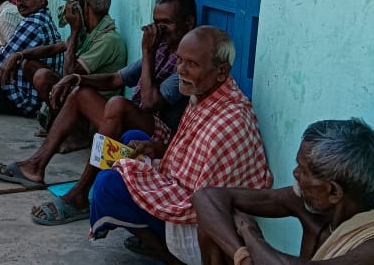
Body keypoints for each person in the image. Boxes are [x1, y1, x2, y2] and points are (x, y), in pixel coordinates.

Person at [0, 0, 197, 225]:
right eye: (156, 23)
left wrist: (147, 51)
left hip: (163, 136)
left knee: (118, 104)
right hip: (137, 120)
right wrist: (77, 79)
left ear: (188, 23)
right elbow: (116, 79)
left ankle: (80, 195)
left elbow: (150, 103)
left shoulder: (190, 61)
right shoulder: (161, 49)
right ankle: (36, 165)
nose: (158, 30)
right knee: (79, 93)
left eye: (165, 23)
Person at [87, 26, 273, 263]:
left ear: (221, 71)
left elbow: (202, 205)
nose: (180, 70)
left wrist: (140, 173)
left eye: (192, 64)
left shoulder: (226, 123)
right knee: (131, 139)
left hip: (203, 224)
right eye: (179, 60)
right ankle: (145, 230)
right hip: (190, 189)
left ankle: (171, 257)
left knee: (108, 183)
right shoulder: (207, 94)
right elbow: (189, 158)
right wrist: (158, 151)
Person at [192, 119, 374, 265]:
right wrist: (242, 254)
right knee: (216, 224)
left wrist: (251, 235)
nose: (295, 174)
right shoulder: (310, 203)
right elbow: (206, 197)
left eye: (303, 171)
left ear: (333, 192)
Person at [17, 0, 128, 137]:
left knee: (44, 77)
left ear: (86, 8)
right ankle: (60, 125)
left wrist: (74, 31)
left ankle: (78, 134)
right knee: (29, 64)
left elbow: (69, 74)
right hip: (79, 95)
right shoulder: (90, 33)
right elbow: (52, 49)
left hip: (94, 107)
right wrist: (19, 55)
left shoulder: (108, 39)